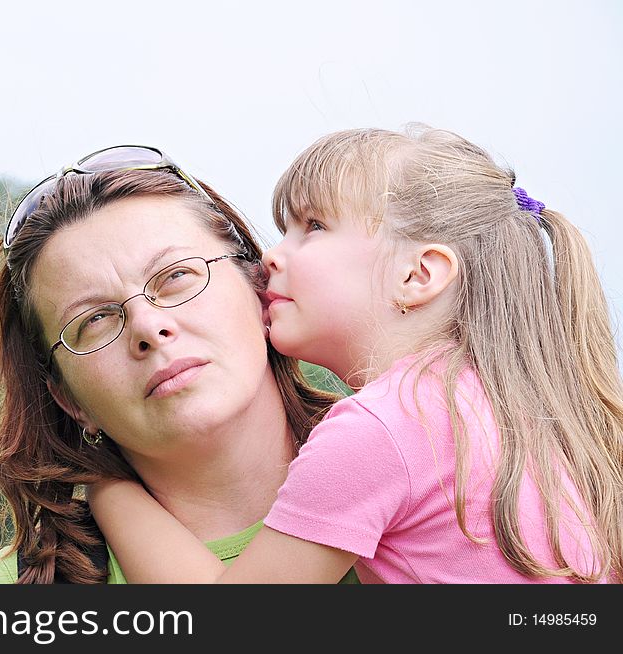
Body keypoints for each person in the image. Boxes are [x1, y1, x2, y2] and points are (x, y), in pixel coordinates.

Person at [88, 127, 623, 583]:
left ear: (418, 275)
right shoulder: (506, 409)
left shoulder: (384, 429)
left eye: (314, 227)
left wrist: (105, 489)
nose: (271, 256)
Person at [0, 144, 355, 583]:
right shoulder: (31, 584)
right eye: (95, 319)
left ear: (259, 290)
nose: (147, 327)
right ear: (68, 398)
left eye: (177, 276)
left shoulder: (419, 463)